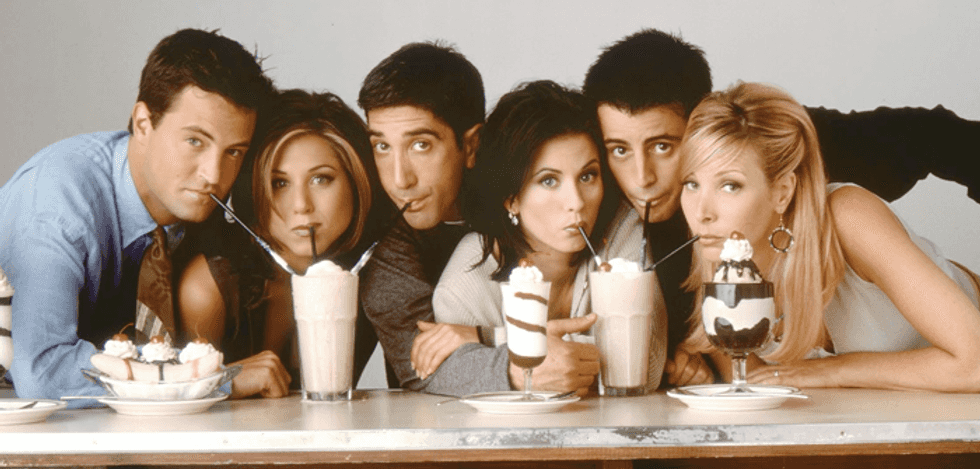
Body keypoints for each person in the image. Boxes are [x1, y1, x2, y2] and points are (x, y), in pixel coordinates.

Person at [581, 28, 980, 388]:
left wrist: (830, 371)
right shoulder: (696, 240)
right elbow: (756, 382)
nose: (642, 179)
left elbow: (937, 136)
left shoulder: (805, 164)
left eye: (663, 146)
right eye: (691, 183)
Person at [0, 28, 274, 406]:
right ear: (143, 123)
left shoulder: (196, 204)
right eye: (195, 141)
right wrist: (211, 382)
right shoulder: (59, 203)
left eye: (233, 152)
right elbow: (41, 371)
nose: (214, 175)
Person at [678, 82, 980, 392]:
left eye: (730, 185)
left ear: (782, 192)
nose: (701, 212)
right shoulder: (713, 256)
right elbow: (755, 389)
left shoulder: (849, 217)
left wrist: (831, 371)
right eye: (691, 183)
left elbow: (975, 365)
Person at [429, 80, 662, 396]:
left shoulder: (620, 228)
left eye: (587, 176)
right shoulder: (469, 278)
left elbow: (646, 366)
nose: (576, 202)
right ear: (511, 198)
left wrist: (489, 337)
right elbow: (456, 380)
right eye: (549, 180)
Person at [177, 89, 381, 399]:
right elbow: (179, 399)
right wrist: (224, 381)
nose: (301, 205)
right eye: (279, 183)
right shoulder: (209, 287)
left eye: (321, 179)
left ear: (358, 182)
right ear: (254, 190)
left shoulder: (377, 274)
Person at [354, 41, 486, 392]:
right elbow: (424, 369)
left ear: (471, 145)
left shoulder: (527, 201)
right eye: (382, 146)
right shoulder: (383, 238)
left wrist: (485, 336)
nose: (400, 180)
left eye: (420, 145)